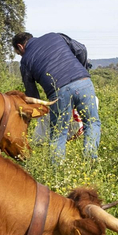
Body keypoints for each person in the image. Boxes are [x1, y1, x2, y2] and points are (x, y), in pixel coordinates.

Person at [13, 31, 100, 161]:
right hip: (84, 82)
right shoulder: (55, 36)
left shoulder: (25, 61)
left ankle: (57, 171)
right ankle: (90, 161)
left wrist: (37, 110)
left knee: (59, 134)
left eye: (19, 53)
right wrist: (82, 70)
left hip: (59, 92)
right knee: (92, 123)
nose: (21, 56)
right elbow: (81, 49)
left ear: (20, 47)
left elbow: (32, 93)